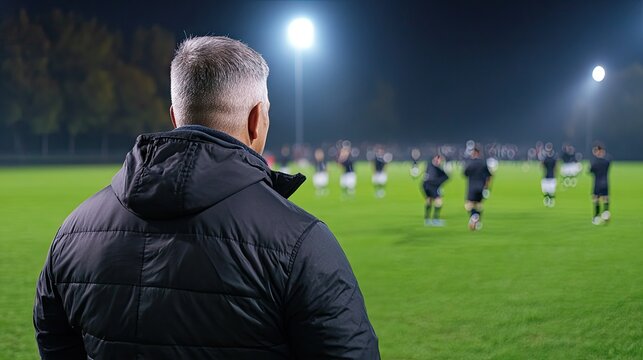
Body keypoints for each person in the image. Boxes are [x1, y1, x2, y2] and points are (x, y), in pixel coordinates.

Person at [33, 36, 379, 360]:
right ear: (257, 119)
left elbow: (54, 341)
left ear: (174, 118)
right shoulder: (301, 242)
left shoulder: (73, 231)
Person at [463, 145, 492, 231]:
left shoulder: (470, 162)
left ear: (473, 153)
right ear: (479, 153)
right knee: (479, 205)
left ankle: (474, 216)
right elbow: (489, 176)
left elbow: (464, 174)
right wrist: (487, 188)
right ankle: (477, 222)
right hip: (481, 187)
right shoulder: (483, 162)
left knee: (468, 205)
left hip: (471, 187)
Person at [422, 154, 449, 226]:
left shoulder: (430, 165)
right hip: (431, 186)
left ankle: (427, 219)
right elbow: (436, 178)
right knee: (439, 202)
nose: (441, 161)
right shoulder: (435, 168)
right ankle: (435, 220)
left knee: (429, 200)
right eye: (440, 160)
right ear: (437, 159)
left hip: (425, 185)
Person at [589, 143, 611, 225]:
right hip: (605, 182)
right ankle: (606, 213)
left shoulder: (594, 162)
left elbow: (590, 171)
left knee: (596, 199)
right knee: (606, 198)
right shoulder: (607, 161)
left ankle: (596, 217)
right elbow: (608, 161)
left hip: (597, 183)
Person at [541, 143, 557, 207]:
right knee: (550, 191)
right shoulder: (554, 158)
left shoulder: (545, 158)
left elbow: (541, 166)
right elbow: (556, 168)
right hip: (551, 176)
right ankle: (550, 202)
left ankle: (548, 201)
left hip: (547, 176)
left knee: (547, 191)